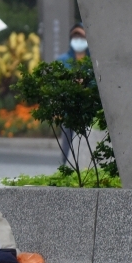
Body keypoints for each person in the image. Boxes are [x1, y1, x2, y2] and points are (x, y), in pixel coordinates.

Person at [55, 24, 90, 163]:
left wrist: (85, 83)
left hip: (88, 110)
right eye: (75, 37)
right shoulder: (63, 60)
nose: (78, 40)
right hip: (69, 111)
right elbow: (56, 84)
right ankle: (65, 172)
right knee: (67, 147)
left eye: (81, 36)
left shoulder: (92, 61)